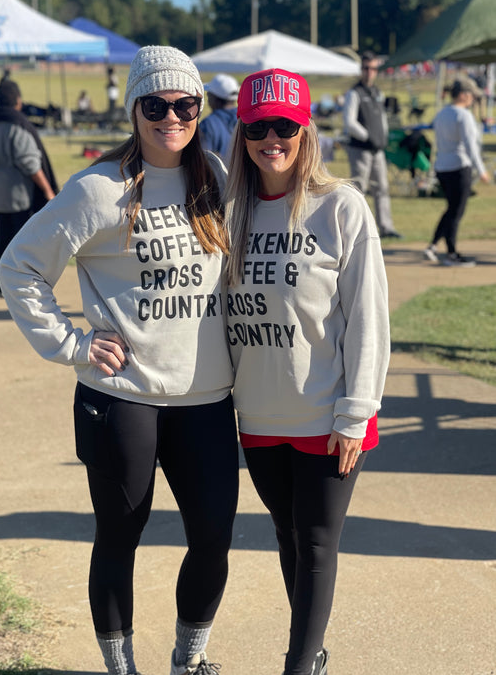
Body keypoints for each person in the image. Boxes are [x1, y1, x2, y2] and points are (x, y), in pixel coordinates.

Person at [0, 46, 239, 675]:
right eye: (155, 105)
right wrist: (73, 343)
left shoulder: (212, 172)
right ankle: (121, 667)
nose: (171, 117)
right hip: (122, 397)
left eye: (185, 105)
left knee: (213, 539)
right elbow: (19, 266)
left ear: (199, 109)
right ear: (134, 109)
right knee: (119, 537)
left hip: (206, 399)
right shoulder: (99, 188)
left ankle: (189, 661)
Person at [224, 68, 390, 675]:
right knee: (289, 538)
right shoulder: (229, 213)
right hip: (260, 415)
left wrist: (356, 412)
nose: (272, 138)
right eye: (258, 126)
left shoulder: (340, 207)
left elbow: (368, 318)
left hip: (330, 416)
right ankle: (312, 653)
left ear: (306, 130)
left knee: (317, 541)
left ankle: (297, 666)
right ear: (241, 134)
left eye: (285, 125)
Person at [0, 79, 58, 295]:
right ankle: (17, 284)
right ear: (17, 100)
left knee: (1, 237)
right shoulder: (17, 125)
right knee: (21, 241)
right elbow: (30, 163)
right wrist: (48, 190)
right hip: (20, 194)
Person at [424, 77, 490, 267]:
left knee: (451, 209)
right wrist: (481, 170)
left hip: (442, 167)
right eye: (472, 96)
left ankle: (433, 245)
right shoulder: (464, 115)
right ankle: (451, 253)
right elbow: (470, 146)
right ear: (463, 95)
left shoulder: (442, 113)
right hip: (459, 167)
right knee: (456, 212)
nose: (473, 100)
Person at [343, 50, 402, 239]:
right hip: (361, 149)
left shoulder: (378, 92)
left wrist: (382, 137)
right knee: (360, 189)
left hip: (377, 149)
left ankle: (386, 226)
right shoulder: (354, 93)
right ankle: (357, 228)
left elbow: (382, 118)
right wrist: (367, 136)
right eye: (367, 68)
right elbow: (349, 122)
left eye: (374, 68)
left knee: (382, 188)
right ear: (361, 69)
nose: (370, 72)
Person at [199, 73, 240, 164]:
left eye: (209, 94)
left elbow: (203, 159)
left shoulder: (208, 124)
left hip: (218, 177)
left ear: (214, 98)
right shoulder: (245, 119)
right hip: (241, 177)